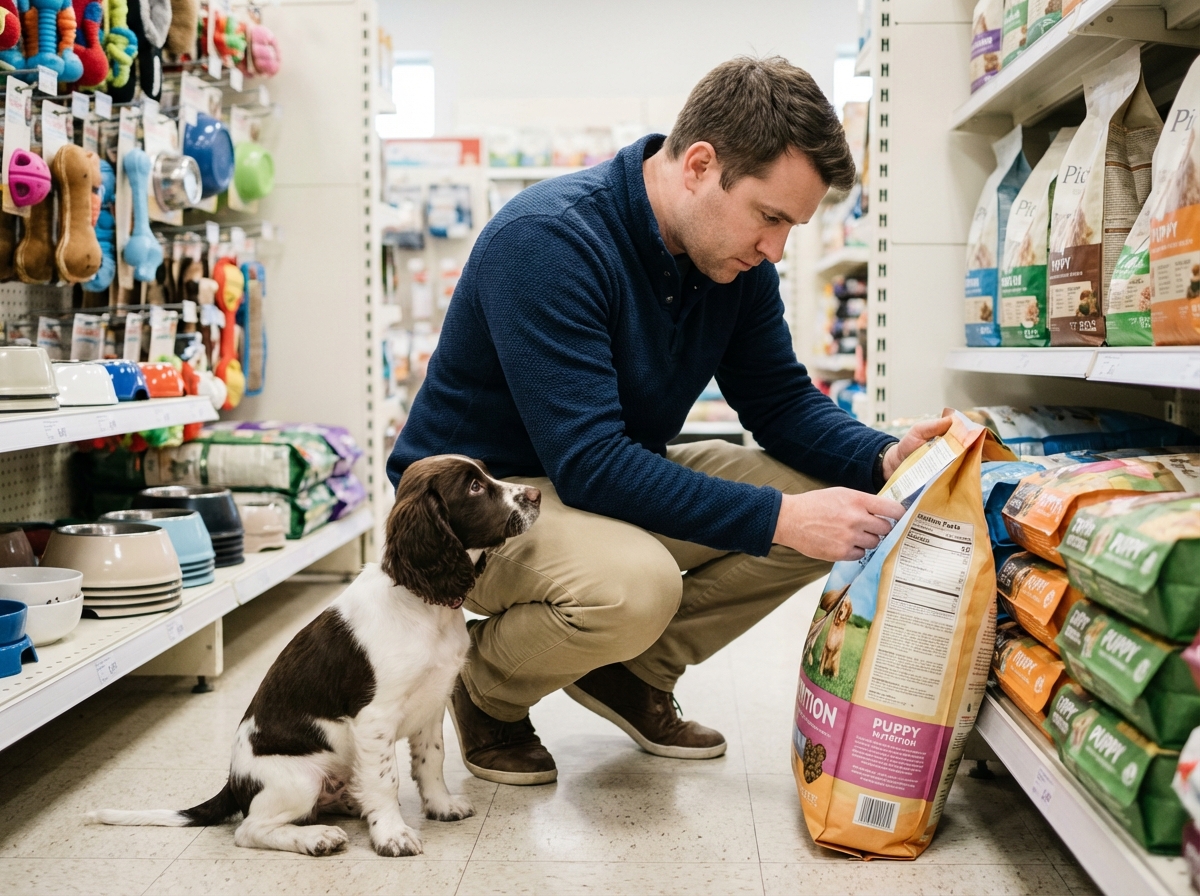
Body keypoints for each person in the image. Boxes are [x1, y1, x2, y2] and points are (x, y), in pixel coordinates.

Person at [387, 56, 951, 786]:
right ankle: (485, 687)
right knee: (638, 585)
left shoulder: (735, 265)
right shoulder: (548, 241)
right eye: (770, 217)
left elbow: (779, 400)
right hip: (474, 506)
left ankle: (630, 672)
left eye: (792, 226)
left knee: (848, 508)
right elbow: (591, 464)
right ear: (699, 165)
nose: (775, 249)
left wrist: (884, 457)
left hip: (591, 474)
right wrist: (782, 519)